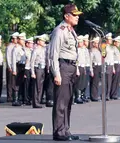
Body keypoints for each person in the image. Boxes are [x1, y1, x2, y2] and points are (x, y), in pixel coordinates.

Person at [50, 3, 83, 141]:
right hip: (62, 67)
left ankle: (66, 130)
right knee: (61, 102)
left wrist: (76, 68)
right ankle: (59, 132)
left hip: (71, 67)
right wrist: (56, 73)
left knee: (68, 101)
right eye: (74, 15)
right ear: (66, 16)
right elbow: (53, 53)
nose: (77, 18)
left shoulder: (71, 30)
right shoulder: (60, 30)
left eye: (77, 15)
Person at [30, 35, 47, 108]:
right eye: (42, 41)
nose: (43, 42)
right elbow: (32, 62)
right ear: (38, 41)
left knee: (41, 86)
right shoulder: (36, 50)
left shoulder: (44, 49)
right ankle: (35, 102)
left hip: (42, 69)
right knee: (37, 87)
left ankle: (39, 101)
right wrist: (32, 72)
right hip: (37, 68)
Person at [11, 32, 26, 106]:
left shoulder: (22, 48)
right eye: (22, 40)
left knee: (20, 82)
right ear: (19, 40)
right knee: (16, 83)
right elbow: (13, 59)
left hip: (22, 66)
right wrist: (14, 70)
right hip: (17, 66)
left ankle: (20, 98)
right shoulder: (16, 48)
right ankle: (15, 99)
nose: (24, 41)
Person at [5, 32, 19, 102]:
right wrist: (9, 67)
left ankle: (14, 96)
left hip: (16, 66)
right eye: (16, 39)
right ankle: (9, 96)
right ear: (12, 39)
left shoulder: (16, 46)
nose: (17, 40)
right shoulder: (9, 47)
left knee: (14, 82)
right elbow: (8, 58)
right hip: (10, 66)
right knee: (10, 82)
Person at [89, 37, 102, 102]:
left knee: (97, 82)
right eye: (96, 43)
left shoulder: (98, 50)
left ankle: (96, 95)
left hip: (99, 66)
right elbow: (90, 61)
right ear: (93, 44)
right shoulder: (92, 51)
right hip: (95, 67)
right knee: (94, 82)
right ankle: (94, 96)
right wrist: (91, 70)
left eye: (98, 43)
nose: (97, 44)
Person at [74, 35, 85, 104]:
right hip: (78, 67)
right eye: (80, 42)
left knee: (82, 82)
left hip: (82, 67)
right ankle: (77, 97)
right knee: (77, 83)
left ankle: (80, 96)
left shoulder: (83, 49)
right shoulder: (76, 50)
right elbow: (76, 60)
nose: (82, 43)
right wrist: (77, 69)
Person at [23, 37, 34, 105]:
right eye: (30, 43)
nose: (32, 44)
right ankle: (25, 99)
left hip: (31, 68)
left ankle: (29, 98)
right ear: (27, 44)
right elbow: (24, 61)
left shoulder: (32, 50)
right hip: (26, 69)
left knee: (31, 85)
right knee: (26, 85)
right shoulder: (24, 51)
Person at [104, 32, 115, 101]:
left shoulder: (111, 48)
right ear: (107, 40)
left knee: (110, 81)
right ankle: (105, 95)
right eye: (110, 39)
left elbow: (112, 58)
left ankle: (108, 94)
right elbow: (103, 57)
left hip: (111, 65)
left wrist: (113, 67)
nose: (111, 40)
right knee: (106, 81)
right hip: (107, 65)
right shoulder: (104, 47)